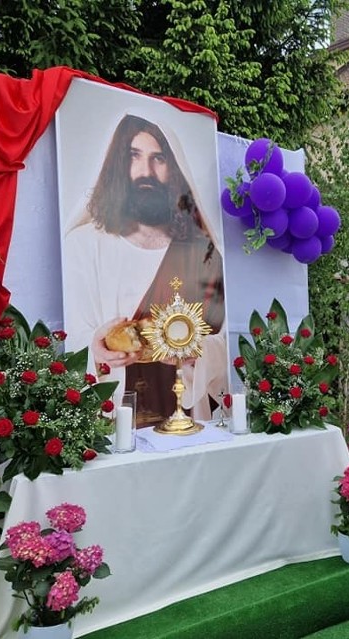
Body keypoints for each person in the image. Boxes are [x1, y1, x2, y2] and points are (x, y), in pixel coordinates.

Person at [63, 114, 226, 426]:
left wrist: (196, 352)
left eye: (158, 159)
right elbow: (71, 337)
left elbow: (225, 339)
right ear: (117, 165)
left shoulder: (201, 250)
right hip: (114, 415)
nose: (145, 171)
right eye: (133, 156)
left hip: (188, 413)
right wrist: (96, 347)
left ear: (174, 169)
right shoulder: (85, 244)